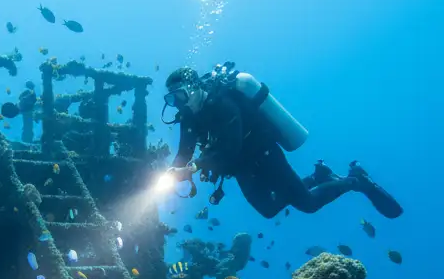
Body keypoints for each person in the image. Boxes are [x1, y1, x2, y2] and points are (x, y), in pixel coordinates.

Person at [162, 66, 402, 220]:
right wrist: (176, 170)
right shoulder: (189, 116)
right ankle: (320, 176)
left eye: (180, 96)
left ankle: (355, 181)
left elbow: (230, 147)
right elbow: (185, 151)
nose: (179, 104)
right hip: (240, 167)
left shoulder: (223, 103)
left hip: (263, 154)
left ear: (193, 89)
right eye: (172, 100)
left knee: (307, 204)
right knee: (268, 209)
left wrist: (194, 168)